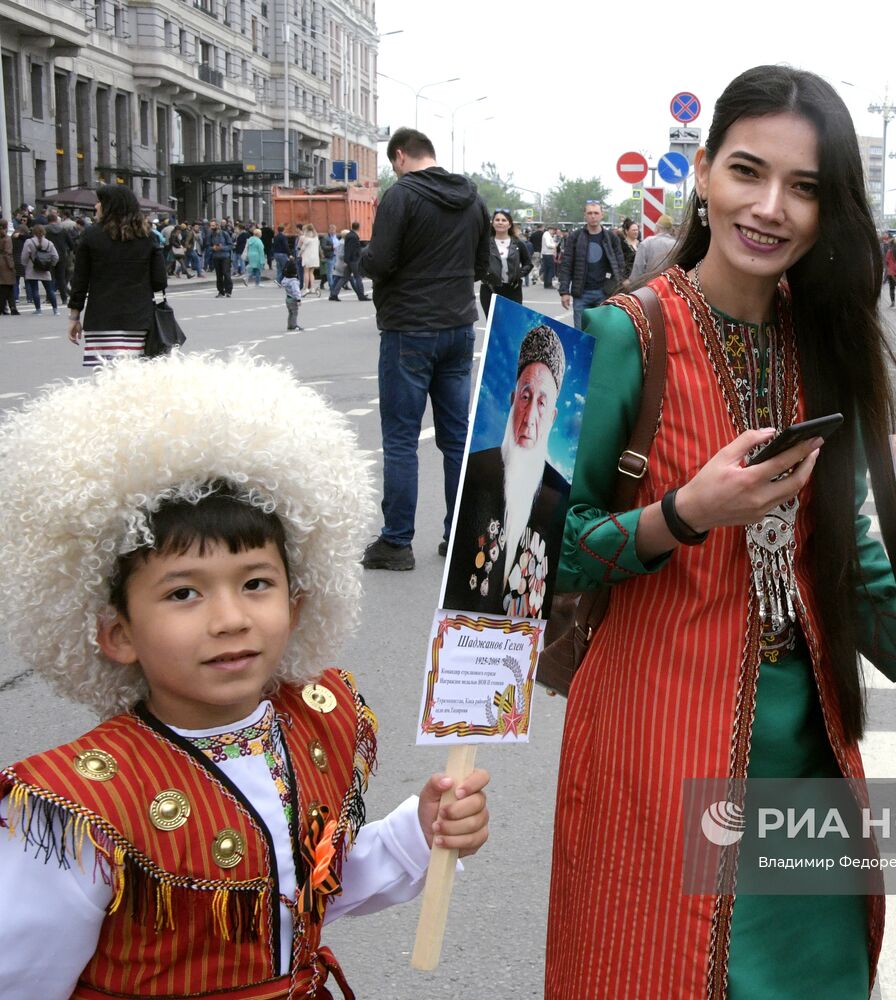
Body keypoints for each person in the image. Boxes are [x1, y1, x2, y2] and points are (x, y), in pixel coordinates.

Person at [547, 65, 896, 1000]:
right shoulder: (619, 335)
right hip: (653, 737)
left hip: (804, 747)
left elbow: (846, 559)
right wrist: (685, 513)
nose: (769, 208)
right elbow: (547, 546)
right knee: (653, 969)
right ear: (704, 175)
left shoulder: (824, 345)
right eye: (745, 172)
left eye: (803, 188)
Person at [0, 352, 491, 1000]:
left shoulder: (316, 720)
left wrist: (419, 831)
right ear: (117, 632)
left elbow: (304, 895)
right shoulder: (77, 812)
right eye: (183, 594)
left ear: (297, 601)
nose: (230, 618)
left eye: (255, 583)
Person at [360, 127, 489, 570]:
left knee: (400, 441)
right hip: (458, 329)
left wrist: (360, 259)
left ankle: (396, 543)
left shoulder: (401, 196)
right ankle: (459, 535)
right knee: (457, 439)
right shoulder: (472, 199)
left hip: (409, 330)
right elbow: (483, 264)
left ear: (399, 157)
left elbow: (379, 261)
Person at [443, 323, 569, 617]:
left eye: (541, 402)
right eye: (526, 397)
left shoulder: (561, 495)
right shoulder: (475, 472)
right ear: (513, 401)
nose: (530, 418)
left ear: (552, 417)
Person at [66, 185, 168, 367]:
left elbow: (79, 281)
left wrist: (74, 317)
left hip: (101, 320)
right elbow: (159, 280)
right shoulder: (148, 237)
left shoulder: (90, 236)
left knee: (106, 379)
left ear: (110, 206)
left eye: (99, 202)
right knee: (134, 378)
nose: (95, 206)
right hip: (138, 320)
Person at [557, 201, 624, 328]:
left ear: (601, 215)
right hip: (581, 294)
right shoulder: (575, 237)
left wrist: (618, 287)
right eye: (590, 213)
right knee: (581, 334)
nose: (593, 216)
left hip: (604, 293)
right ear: (585, 215)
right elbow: (566, 265)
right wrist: (564, 291)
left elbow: (620, 264)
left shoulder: (611, 238)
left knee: (603, 333)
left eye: (596, 213)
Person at [480, 208, 533, 319]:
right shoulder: (484, 243)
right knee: (494, 326)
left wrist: (519, 274)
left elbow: (528, 263)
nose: (500, 222)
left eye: (504, 220)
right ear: (493, 223)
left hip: (513, 290)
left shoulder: (518, 243)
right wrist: (484, 275)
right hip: (490, 289)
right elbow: (477, 262)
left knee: (512, 324)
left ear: (509, 224)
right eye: (497, 220)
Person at [20, 222, 61, 316]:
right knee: (49, 289)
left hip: (32, 267)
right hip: (45, 268)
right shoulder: (49, 243)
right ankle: (55, 309)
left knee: (35, 289)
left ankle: (38, 309)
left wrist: (24, 264)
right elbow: (56, 256)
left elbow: (24, 256)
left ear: (33, 232)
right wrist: (51, 264)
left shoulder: (29, 242)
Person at [630, 213, 677, 281]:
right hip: (670, 287)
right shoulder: (677, 245)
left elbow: (638, 270)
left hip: (650, 287)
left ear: (657, 228)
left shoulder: (646, 243)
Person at [331, 222, 370, 301]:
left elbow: (347, 249)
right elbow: (350, 249)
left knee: (345, 278)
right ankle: (361, 295)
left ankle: (334, 294)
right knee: (358, 277)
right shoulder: (353, 236)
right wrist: (350, 259)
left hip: (350, 260)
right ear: (358, 227)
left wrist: (346, 260)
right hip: (353, 260)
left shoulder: (349, 235)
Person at [207, 219, 234, 298]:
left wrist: (222, 248)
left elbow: (231, 245)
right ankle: (221, 292)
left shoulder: (224, 233)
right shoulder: (210, 235)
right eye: (211, 226)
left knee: (226, 273)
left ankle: (228, 291)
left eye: (213, 225)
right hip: (216, 257)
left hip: (225, 256)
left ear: (217, 225)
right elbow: (208, 246)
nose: (212, 227)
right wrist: (213, 248)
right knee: (218, 275)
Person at [279, 257, 305, 331]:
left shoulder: (285, 279)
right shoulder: (294, 281)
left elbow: (282, 283)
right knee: (294, 313)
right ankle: (294, 325)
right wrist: (299, 299)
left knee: (290, 313)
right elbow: (296, 291)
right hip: (293, 299)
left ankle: (290, 325)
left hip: (287, 298)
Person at [299, 223, 321, 295]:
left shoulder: (306, 238)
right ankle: (312, 288)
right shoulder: (316, 238)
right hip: (315, 257)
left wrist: (299, 254)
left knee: (306, 272)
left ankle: (306, 288)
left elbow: (301, 248)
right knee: (311, 273)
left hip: (307, 257)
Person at [617, 218, 640, 283]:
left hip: (640, 278)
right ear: (627, 231)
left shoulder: (641, 244)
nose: (636, 232)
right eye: (633, 230)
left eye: (637, 230)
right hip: (627, 280)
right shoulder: (621, 245)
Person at [0, 226, 16, 316]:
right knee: (9, 287)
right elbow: (8, 253)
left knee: (3, 287)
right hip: (5, 264)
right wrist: (11, 265)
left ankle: (6, 307)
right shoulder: (7, 239)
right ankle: (11, 307)